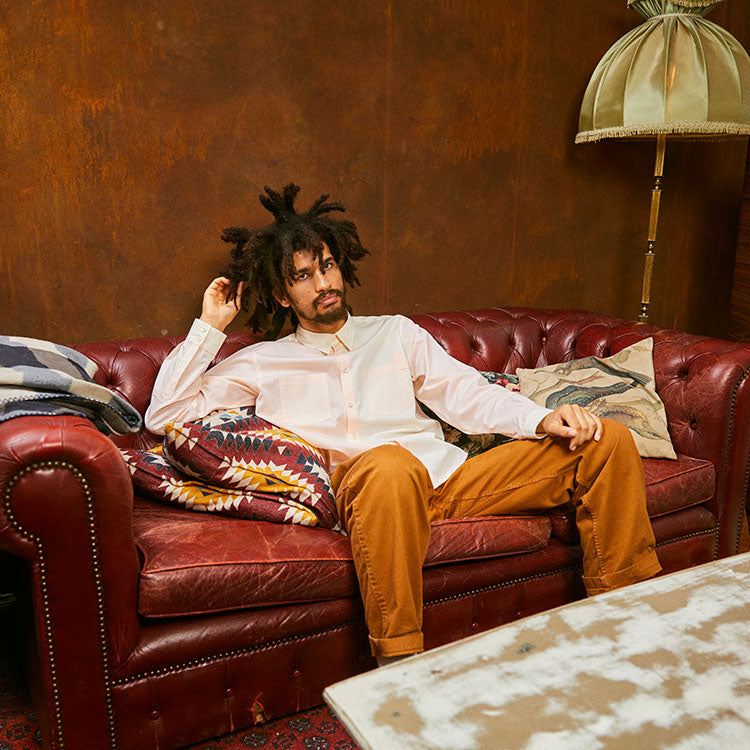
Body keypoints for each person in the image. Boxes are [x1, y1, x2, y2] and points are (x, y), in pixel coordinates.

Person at [145, 183, 661, 666]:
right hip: (367, 489)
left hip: (449, 481)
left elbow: (464, 394)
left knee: (604, 438)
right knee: (389, 464)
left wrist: (543, 418)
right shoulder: (262, 361)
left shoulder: (395, 333)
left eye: (327, 266)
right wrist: (209, 328)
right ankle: (400, 666)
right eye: (303, 275)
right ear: (283, 295)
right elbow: (165, 416)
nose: (323, 282)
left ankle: (625, 624)